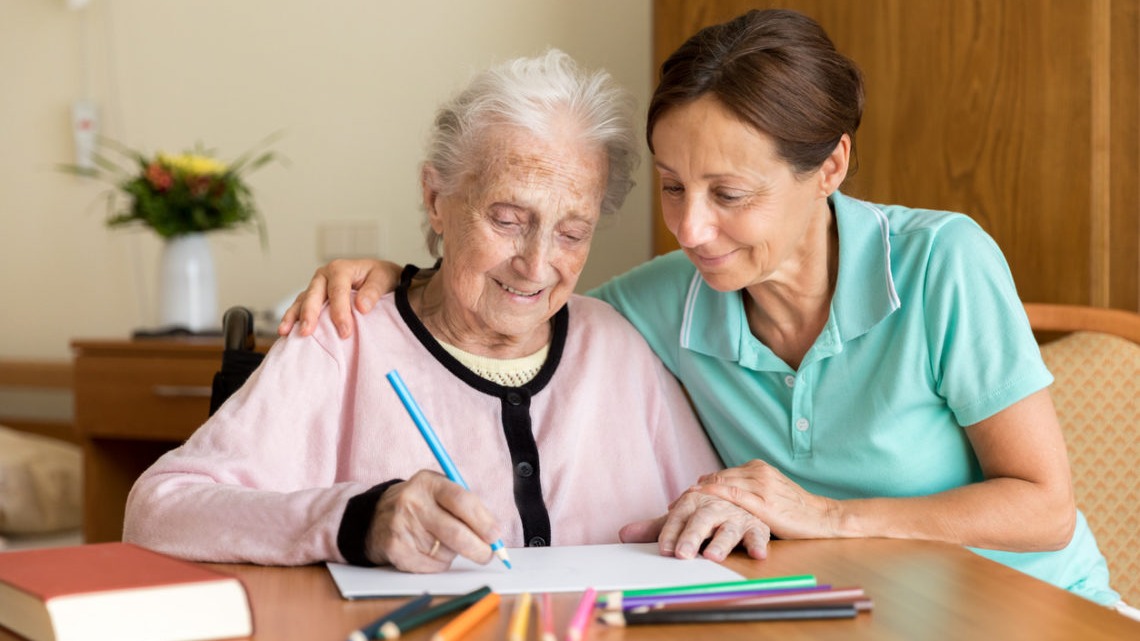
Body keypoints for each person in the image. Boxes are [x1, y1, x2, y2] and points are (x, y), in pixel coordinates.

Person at [280, 9, 1129, 610]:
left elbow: (1043, 506)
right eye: (675, 186)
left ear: (831, 166)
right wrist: (408, 272)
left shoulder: (944, 263)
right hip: (851, 616)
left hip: (1032, 610)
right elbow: (521, 309)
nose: (691, 228)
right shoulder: (665, 299)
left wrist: (823, 514)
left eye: (729, 193)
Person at [123, 49, 724, 573]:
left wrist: (725, 515)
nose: (536, 265)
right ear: (437, 200)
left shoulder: (616, 346)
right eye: (508, 221)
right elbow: (157, 511)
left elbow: (715, 504)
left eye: (572, 233)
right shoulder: (343, 333)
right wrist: (357, 520)